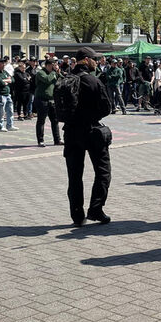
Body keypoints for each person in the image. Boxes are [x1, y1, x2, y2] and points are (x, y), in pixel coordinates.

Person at [62, 47, 114, 227]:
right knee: (103, 172)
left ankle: (77, 215)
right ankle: (96, 209)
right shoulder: (93, 81)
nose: (96, 62)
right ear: (85, 60)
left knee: (74, 176)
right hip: (91, 132)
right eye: (94, 59)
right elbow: (106, 108)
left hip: (70, 132)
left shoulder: (66, 78)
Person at [34, 59, 61, 147]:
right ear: (47, 65)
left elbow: (61, 79)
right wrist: (54, 72)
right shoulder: (41, 73)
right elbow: (47, 80)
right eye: (52, 65)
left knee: (55, 121)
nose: (54, 67)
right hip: (42, 100)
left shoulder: (54, 73)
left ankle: (57, 140)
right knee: (41, 121)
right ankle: (40, 140)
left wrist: (58, 73)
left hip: (52, 100)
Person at [0, 58, 15, 131]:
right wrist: (6, 80)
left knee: (10, 110)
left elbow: (12, 80)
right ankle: (0, 126)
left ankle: (10, 125)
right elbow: (0, 83)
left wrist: (7, 80)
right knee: (1, 111)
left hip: (8, 94)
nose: (1, 65)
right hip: (1, 95)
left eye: (3, 64)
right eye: (0, 64)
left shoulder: (5, 72)